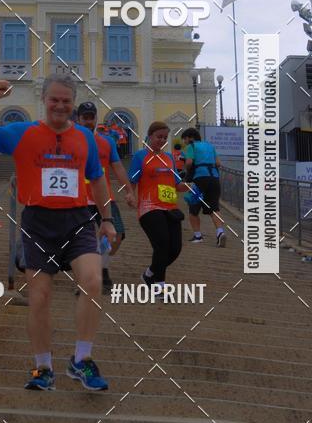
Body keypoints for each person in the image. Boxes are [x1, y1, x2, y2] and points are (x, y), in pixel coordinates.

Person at [0, 74, 116, 392]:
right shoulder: (23, 132)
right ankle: (43, 367)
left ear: (73, 104)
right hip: (38, 222)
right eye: (54, 99)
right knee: (39, 297)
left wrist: (107, 219)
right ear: (44, 100)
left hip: (78, 219)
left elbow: (97, 178)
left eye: (66, 101)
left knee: (92, 282)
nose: (60, 106)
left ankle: (82, 360)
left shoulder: (85, 137)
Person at [76, 101, 136, 293]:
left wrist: (128, 190)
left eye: (91, 117)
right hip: (78, 199)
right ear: (78, 119)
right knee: (81, 240)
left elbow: (117, 167)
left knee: (117, 235)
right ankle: (99, 272)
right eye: (84, 117)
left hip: (104, 198)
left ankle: (99, 264)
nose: (88, 121)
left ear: (95, 118)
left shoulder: (107, 141)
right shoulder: (71, 140)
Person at [129, 121, 187, 288]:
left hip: (170, 208)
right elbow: (132, 181)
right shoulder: (140, 156)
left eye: (164, 137)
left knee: (175, 249)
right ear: (149, 136)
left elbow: (177, 185)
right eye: (158, 137)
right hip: (149, 207)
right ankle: (159, 284)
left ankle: (149, 274)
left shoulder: (169, 158)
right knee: (162, 243)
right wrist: (130, 194)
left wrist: (192, 186)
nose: (161, 140)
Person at [181, 127, 226, 246]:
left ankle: (198, 236)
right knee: (214, 208)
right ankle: (220, 232)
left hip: (199, 180)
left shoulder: (191, 146)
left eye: (185, 139)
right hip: (214, 179)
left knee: (193, 208)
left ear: (190, 138)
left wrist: (187, 170)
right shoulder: (210, 146)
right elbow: (218, 163)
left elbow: (189, 162)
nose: (184, 142)